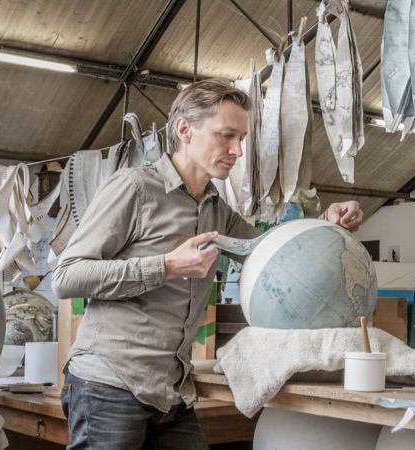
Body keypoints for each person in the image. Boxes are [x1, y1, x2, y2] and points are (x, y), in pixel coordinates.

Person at [52, 79, 364, 449]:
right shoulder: (135, 188)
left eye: (241, 139)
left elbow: (271, 250)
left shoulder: (217, 208)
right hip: (109, 383)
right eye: (226, 135)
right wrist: (167, 266)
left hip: (170, 391)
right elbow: (67, 276)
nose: (237, 150)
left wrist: (325, 223)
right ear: (185, 129)